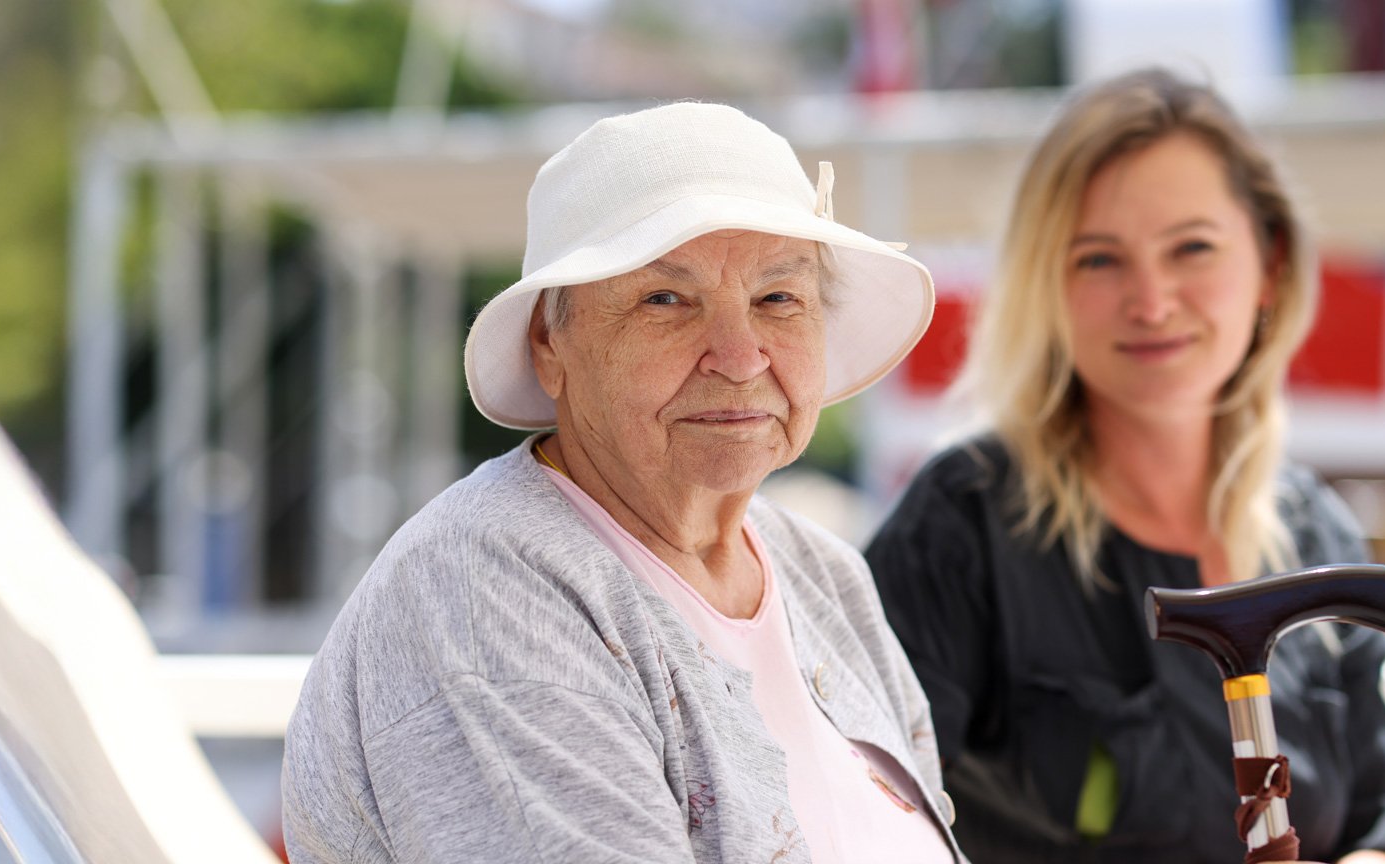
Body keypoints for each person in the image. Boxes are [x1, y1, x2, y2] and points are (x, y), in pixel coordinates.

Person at [282, 102, 959, 863]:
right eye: (665, 300)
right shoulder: (485, 588)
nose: (739, 356)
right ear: (550, 342)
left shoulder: (823, 573)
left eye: (778, 299)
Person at [864, 69, 1385, 864]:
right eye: (1098, 259)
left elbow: (1380, 814)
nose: (1152, 301)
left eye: (1192, 247)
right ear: (1045, 285)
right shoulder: (962, 525)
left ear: (1270, 263)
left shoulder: (1320, 533)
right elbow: (870, 818)